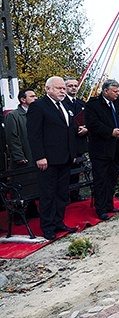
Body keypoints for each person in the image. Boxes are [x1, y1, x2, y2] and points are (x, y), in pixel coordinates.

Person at [27, 76, 78, 240]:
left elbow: (68, 130)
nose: (62, 91)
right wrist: (40, 156)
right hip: (48, 159)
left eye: (63, 88)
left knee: (62, 193)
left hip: (65, 157)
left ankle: (58, 221)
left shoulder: (64, 106)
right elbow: (34, 134)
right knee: (48, 194)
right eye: (58, 88)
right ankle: (47, 227)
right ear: (48, 89)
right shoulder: (38, 106)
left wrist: (73, 153)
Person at [85, 79, 119, 220]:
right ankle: (101, 208)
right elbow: (93, 124)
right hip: (101, 148)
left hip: (117, 147)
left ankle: (109, 204)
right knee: (101, 179)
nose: (118, 94)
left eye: (118, 91)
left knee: (112, 177)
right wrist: (111, 132)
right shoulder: (93, 105)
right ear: (105, 91)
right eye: (115, 91)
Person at [4, 88, 39, 221]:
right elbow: (12, 137)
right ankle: (18, 214)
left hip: (34, 155)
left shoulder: (35, 114)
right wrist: (18, 156)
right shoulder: (13, 116)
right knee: (21, 185)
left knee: (33, 184)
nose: (35, 98)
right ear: (23, 100)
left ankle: (31, 209)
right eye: (32, 96)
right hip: (23, 157)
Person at [63, 77, 89, 202]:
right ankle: (65, 195)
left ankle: (75, 194)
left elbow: (89, 120)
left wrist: (86, 129)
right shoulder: (62, 103)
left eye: (75, 85)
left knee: (77, 170)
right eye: (70, 86)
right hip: (67, 143)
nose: (73, 88)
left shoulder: (81, 103)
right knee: (66, 171)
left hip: (79, 142)